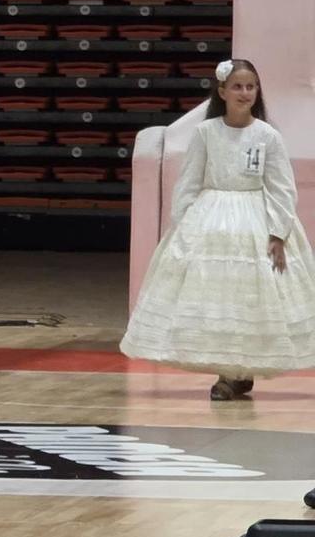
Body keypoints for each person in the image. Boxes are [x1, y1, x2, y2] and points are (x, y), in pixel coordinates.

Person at [122, 58, 315, 398]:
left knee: (251, 297)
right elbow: (189, 182)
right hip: (211, 221)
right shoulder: (205, 133)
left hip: (254, 220)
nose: (244, 93)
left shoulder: (267, 136)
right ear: (222, 91)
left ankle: (240, 370)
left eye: (251, 86)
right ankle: (228, 373)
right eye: (237, 87)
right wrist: (182, 226)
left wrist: (278, 232)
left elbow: (281, 187)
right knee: (217, 299)